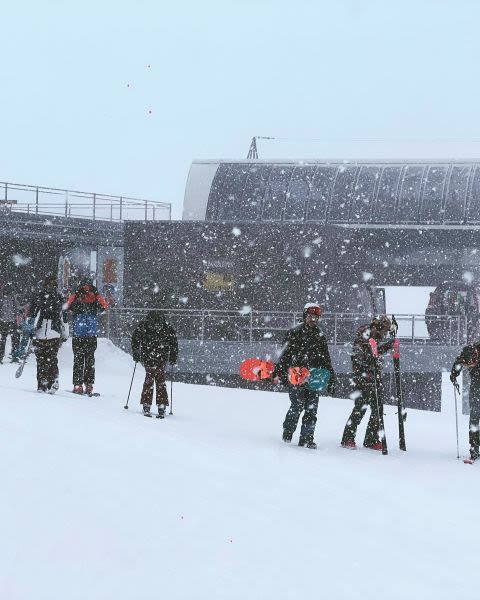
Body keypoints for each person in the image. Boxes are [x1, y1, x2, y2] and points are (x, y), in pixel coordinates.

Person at [273, 303, 336, 450]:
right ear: (304, 316)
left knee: (311, 408)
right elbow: (285, 355)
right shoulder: (294, 332)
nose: (313, 319)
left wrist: (331, 377)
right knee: (297, 405)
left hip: (314, 375)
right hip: (296, 374)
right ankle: (288, 432)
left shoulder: (320, 335)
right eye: (310, 316)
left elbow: (326, 358)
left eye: (316, 317)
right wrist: (281, 373)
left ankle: (307, 438)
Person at [341, 315, 394, 450]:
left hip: (374, 377)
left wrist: (388, 346)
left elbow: (375, 353)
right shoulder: (364, 337)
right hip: (363, 378)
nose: (386, 333)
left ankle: (371, 439)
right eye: (385, 330)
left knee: (378, 409)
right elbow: (360, 357)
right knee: (360, 407)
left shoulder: (374, 337)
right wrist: (368, 370)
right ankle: (348, 438)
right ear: (379, 327)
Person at [131, 310, 178, 417]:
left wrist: (136, 353)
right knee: (160, 379)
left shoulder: (144, 325)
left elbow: (135, 339)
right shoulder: (166, 326)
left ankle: (147, 403)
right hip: (161, 356)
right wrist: (173, 356)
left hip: (148, 355)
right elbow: (174, 342)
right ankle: (161, 404)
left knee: (149, 378)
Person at [66, 277, 109, 394]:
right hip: (91, 333)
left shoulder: (77, 295)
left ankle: (78, 384)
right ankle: (89, 384)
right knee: (90, 360)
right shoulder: (95, 295)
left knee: (78, 359)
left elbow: (67, 306)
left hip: (79, 332)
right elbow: (104, 306)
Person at [27, 274, 68, 393]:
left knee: (51, 359)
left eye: (53, 284)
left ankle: (53, 382)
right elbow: (31, 313)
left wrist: (65, 332)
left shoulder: (59, 297)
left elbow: (64, 317)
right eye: (49, 283)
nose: (51, 286)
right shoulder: (39, 296)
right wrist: (30, 328)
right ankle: (41, 384)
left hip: (54, 332)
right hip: (39, 332)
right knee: (41, 360)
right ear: (45, 284)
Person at [450, 343, 480, 462]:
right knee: (474, 417)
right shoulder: (469, 350)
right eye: (469, 363)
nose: (470, 364)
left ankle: (474, 447)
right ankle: (474, 449)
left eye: (472, 362)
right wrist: (454, 374)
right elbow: (458, 363)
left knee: (474, 417)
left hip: (476, 386)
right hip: (476, 387)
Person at [0, 282, 21, 363]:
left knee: (14, 339)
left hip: (12, 321)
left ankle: (15, 356)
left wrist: (18, 313)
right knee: (3, 339)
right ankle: (1, 357)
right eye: (6, 289)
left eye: (8, 289)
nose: (7, 291)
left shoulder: (12, 298)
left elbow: (16, 308)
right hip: (4, 321)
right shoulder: (1, 298)